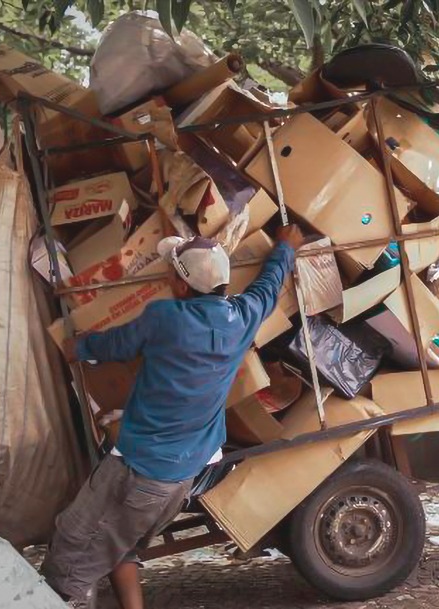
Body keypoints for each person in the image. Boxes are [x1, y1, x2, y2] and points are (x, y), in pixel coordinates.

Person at [43, 226, 302, 609]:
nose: (167, 278)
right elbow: (267, 287)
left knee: (70, 557)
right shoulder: (241, 318)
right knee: (119, 543)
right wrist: (285, 248)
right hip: (182, 478)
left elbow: (116, 343)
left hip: (138, 472)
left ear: (181, 287)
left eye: (171, 273)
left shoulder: (165, 318)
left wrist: (77, 347)